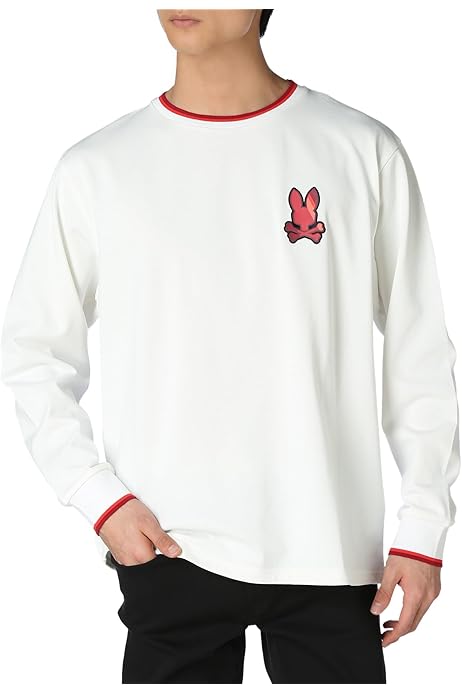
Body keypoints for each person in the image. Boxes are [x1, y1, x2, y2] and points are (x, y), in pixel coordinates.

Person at [1, 8, 460, 685]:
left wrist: (423, 529)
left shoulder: (360, 149)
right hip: (167, 546)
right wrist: (98, 497)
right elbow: (34, 352)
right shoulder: (98, 169)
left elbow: (419, 352)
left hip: (329, 550)